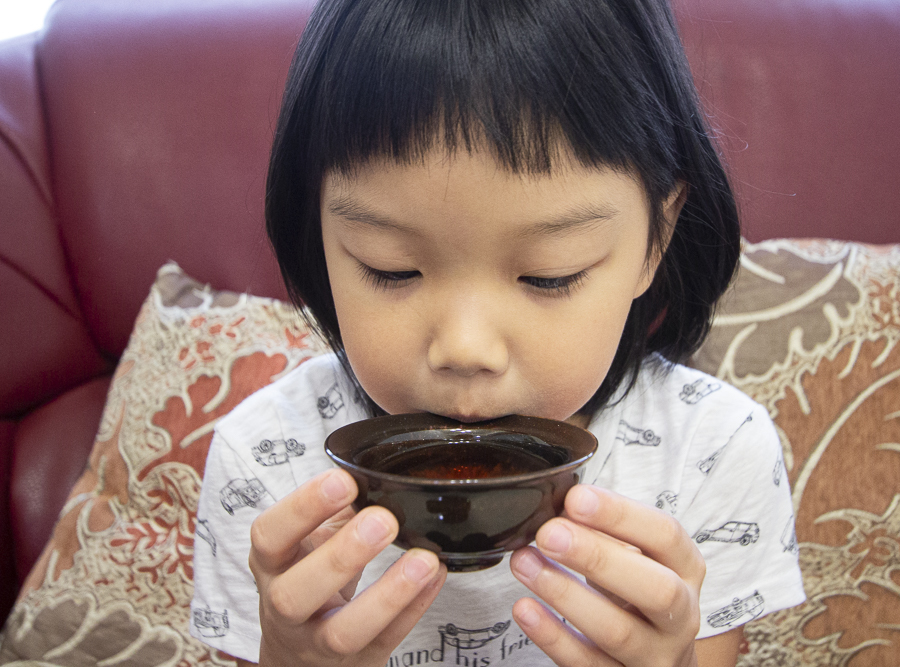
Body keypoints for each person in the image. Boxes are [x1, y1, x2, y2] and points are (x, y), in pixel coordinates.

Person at [190, 0, 805, 664]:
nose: (465, 349)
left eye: (548, 275)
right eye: (390, 268)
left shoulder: (715, 456)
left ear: (655, 238)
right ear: (317, 232)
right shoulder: (264, 467)